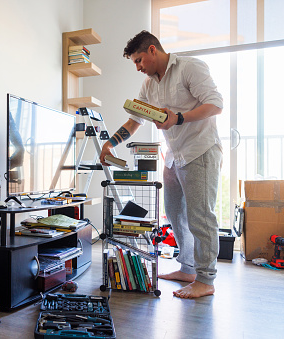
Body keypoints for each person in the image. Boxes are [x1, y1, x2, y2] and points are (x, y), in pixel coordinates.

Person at [100, 30, 223, 299]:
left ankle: (206, 279)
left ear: (153, 50)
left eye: (139, 60)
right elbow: (134, 121)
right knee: (174, 212)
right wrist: (111, 143)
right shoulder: (148, 87)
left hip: (200, 151)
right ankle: (188, 268)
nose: (138, 67)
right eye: (134, 63)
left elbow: (215, 104)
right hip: (175, 155)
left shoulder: (190, 68)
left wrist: (178, 118)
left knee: (201, 216)